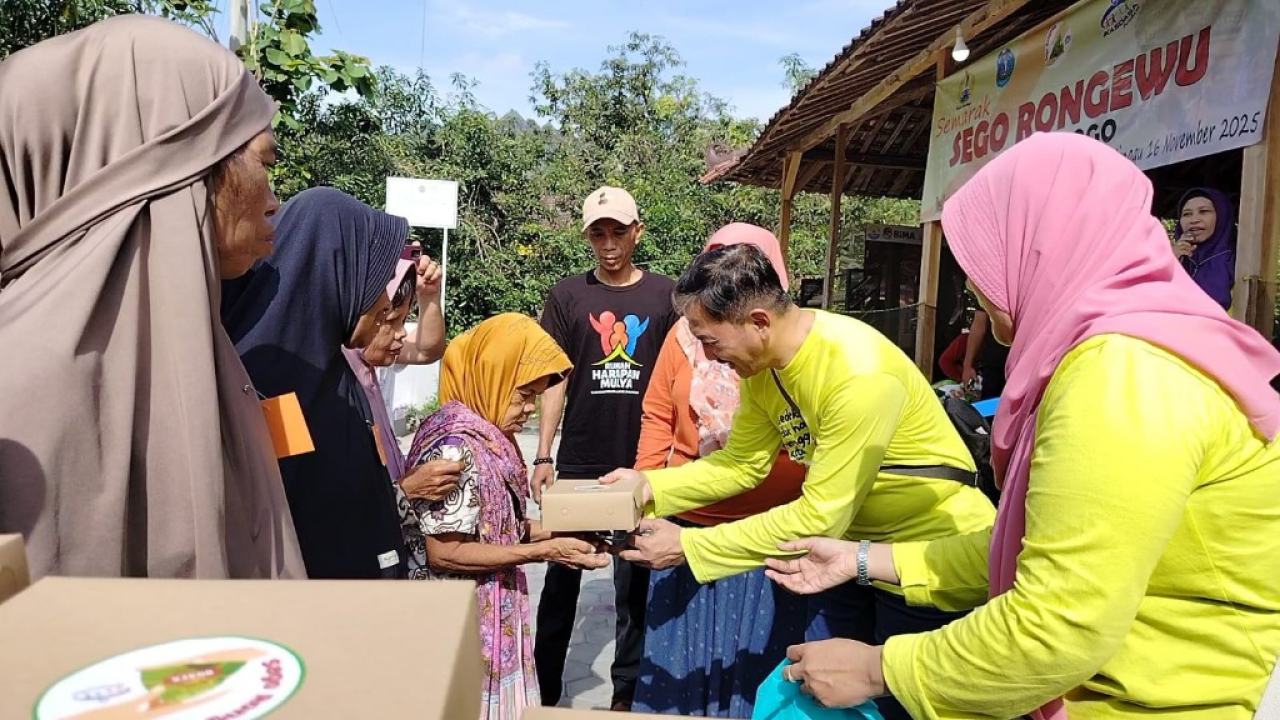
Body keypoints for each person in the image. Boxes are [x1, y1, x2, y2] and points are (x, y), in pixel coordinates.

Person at [766, 133, 1280, 719]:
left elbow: (1059, 623)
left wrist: (878, 667)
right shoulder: (1113, 352)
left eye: (984, 260)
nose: (977, 288)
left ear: (1041, 248)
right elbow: (1041, 545)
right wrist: (862, 560)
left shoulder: (1125, 373)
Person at [603, 243, 996, 720]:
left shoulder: (856, 374)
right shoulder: (763, 369)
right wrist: (650, 487)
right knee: (816, 691)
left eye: (710, 341)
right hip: (842, 556)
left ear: (759, 322)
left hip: (925, 557)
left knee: (899, 707)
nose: (706, 357)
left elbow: (819, 514)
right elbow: (742, 464)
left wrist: (692, 546)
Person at [0, 16, 304, 579]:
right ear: (172, 171)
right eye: (265, 163)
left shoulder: (197, 349)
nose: (274, 200)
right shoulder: (23, 389)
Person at [631, 224, 808, 718]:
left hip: (769, 534)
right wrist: (644, 488)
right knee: (681, 672)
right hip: (688, 523)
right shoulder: (684, 338)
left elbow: (796, 448)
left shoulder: (783, 349)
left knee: (758, 671)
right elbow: (657, 416)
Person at [404, 313, 610, 719]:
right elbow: (446, 553)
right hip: (462, 628)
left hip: (488, 618)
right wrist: (546, 551)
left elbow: (503, 530)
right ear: (491, 378)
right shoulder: (455, 448)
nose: (529, 410)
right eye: (522, 396)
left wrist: (570, 531)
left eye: (535, 397)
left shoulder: (490, 439)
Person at [532, 186, 679, 710]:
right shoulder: (569, 296)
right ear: (587, 236)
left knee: (633, 585)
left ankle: (626, 699)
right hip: (579, 460)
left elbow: (678, 377)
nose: (609, 242)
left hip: (641, 462)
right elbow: (554, 378)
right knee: (561, 572)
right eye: (599, 232)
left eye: (619, 231)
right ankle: (543, 691)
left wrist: (669, 462)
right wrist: (544, 454)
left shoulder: (665, 296)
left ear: (637, 231)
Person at [222, 187, 410, 579]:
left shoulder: (334, 374)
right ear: (335, 271)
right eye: (376, 278)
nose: (383, 304)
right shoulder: (256, 380)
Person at [341, 250, 463, 577]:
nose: (400, 334)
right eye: (391, 320)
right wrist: (406, 489)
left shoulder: (367, 360)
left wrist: (430, 299)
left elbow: (427, 349)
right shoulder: (334, 379)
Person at [1172, 187, 1237, 310]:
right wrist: (1170, 264)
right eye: (1187, 214)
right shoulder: (1172, 258)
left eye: (1204, 211)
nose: (1194, 220)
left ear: (1222, 216)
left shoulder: (1236, 259)